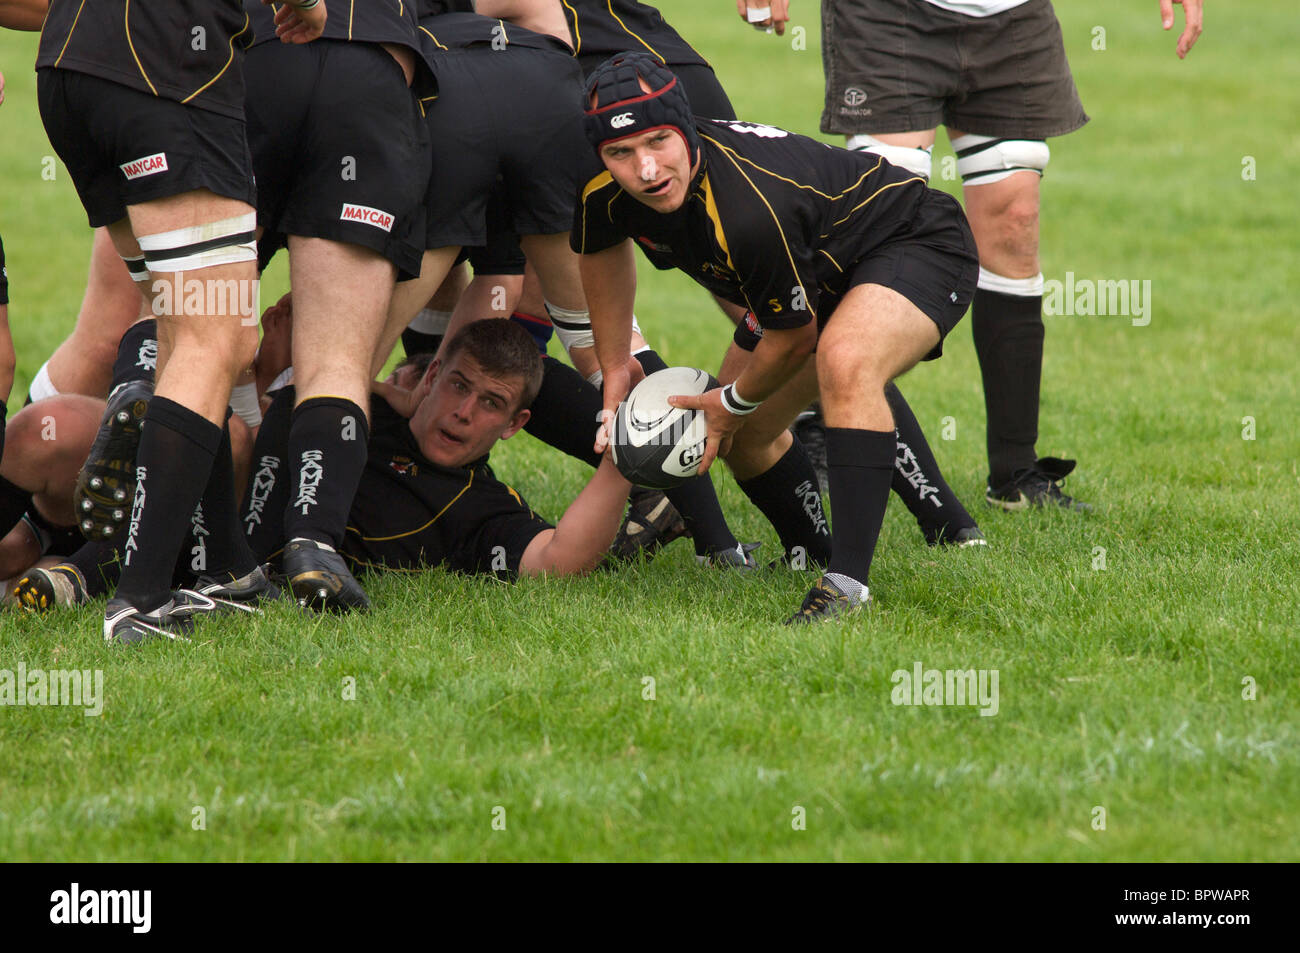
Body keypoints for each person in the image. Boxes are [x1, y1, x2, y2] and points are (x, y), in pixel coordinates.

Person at [740, 0, 1204, 511]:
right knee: (878, 218)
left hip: (1010, 16)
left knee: (1014, 219)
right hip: (888, 14)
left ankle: (1015, 472)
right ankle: (828, 418)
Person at [575, 53, 980, 622]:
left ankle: (846, 586)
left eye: (658, 141)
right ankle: (809, 551)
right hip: (816, 268)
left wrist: (730, 401)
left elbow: (794, 338)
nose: (645, 169)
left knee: (844, 361)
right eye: (621, 152)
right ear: (600, 154)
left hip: (913, 239)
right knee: (742, 436)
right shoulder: (600, 190)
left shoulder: (745, 207)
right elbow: (599, 252)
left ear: (686, 127)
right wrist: (616, 363)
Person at [34, 0, 327, 643]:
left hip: (67, 67)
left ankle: (223, 564)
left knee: (183, 321)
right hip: (168, 67)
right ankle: (137, 602)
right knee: (218, 333)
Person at [241, 0, 433, 611]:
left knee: (192, 336)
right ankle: (312, 546)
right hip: (369, 72)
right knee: (337, 360)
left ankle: (182, 552)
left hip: (251, 60)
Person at [247, 319, 631, 581]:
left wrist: (622, 460)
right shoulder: (354, 411)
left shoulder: (481, 507)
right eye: (459, 386)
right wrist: (266, 375)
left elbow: (557, 562)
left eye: (492, 403)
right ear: (432, 377)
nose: (463, 413)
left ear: (514, 424)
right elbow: (256, 440)